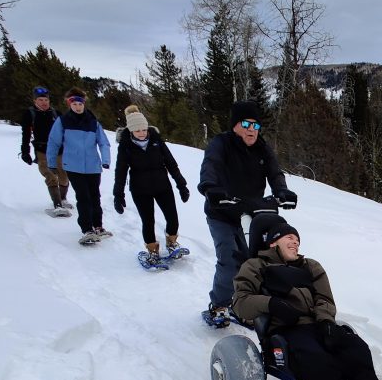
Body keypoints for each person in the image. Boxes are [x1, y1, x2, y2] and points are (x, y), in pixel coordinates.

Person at [232, 221, 382, 380]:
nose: (295, 242)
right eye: (289, 237)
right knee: (318, 361)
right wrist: (271, 303)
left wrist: (326, 321)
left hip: (318, 325)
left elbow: (325, 298)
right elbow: (240, 303)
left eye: (297, 239)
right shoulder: (255, 266)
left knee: (357, 350)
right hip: (286, 331)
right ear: (273, 242)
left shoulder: (310, 266)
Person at [198, 100, 297, 323]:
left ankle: (248, 305)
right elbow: (210, 166)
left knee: (257, 261)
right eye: (247, 124)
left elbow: (274, 172)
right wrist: (211, 188)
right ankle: (219, 305)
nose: (252, 129)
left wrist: (282, 191)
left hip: (252, 212)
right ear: (235, 125)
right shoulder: (221, 144)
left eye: (256, 125)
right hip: (222, 211)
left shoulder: (262, 148)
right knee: (230, 259)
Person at [113, 105, 190, 265]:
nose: (142, 133)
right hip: (140, 190)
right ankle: (152, 250)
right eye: (137, 130)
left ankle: (172, 242)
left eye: (144, 129)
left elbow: (171, 163)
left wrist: (181, 185)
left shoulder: (156, 140)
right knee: (148, 221)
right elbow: (120, 172)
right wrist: (118, 195)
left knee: (172, 218)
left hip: (162, 186)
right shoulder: (126, 145)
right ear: (131, 131)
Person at [46, 87, 112, 246]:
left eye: (80, 103)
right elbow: (54, 142)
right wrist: (51, 162)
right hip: (73, 166)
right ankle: (87, 229)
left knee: (95, 196)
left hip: (93, 166)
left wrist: (105, 160)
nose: (77, 106)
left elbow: (103, 142)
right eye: (74, 103)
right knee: (83, 196)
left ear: (84, 104)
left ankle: (98, 226)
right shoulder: (63, 121)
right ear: (69, 104)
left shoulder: (93, 122)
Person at [19, 86, 72, 215]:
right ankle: (57, 205)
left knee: (64, 177)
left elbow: (66, 132)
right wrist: (25, 151)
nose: (44, 103)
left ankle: (63, 198)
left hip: (59, 150)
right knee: (50, 175)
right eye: (41, 100)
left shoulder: (56, 114)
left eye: (46, 100)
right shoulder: (30, 114)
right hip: (42, 150)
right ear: (35, 101)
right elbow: (26, 134)